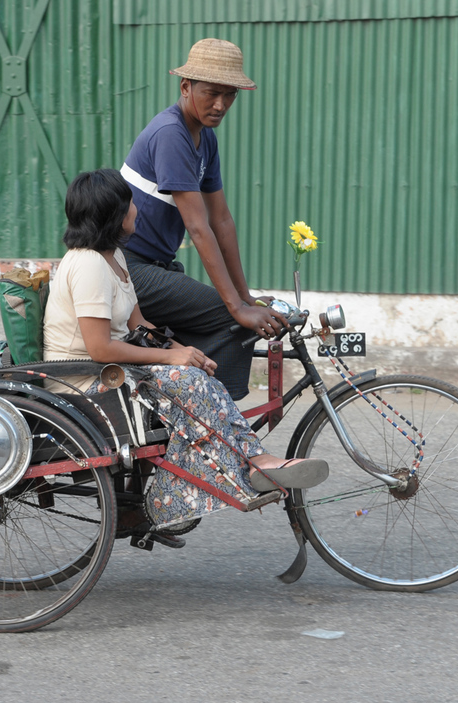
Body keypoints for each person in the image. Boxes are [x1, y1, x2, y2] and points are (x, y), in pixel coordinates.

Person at [42, 169, 327, 535]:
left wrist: (184, 350)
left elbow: (139, 327)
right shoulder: (88, 265)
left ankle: (252, 462)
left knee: (198, 375)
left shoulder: (114, 258)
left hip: (111, 372)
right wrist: (171, 358)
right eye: (129, 204)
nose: (136, 211)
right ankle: (247, 464)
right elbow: (98, 346)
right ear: (114, 214)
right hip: (84, 384)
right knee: (187, 381)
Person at [119, 38, 284, 401]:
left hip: (157, 266)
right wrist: (236, 309)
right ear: (185, 87)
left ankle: (183, 402)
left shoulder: (204, 138)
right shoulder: (171, 134)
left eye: (230, 95)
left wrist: (245, 297)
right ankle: (208, 418)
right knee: (230, 320)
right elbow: (198, 227)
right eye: (211, 93)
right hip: (127, 269)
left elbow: (222, 220)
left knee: (239, 314)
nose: (221, 104)